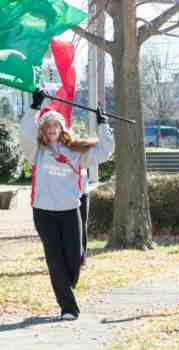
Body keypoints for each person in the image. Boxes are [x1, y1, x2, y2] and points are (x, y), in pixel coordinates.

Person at [20, 99, 114, 321]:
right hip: (44, 213)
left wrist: (103, 125)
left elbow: (104, 151)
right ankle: (68, 307)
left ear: (62, 129)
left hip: (70, 210)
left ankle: (65, 287)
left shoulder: (76, 152)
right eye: (47, 127)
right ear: (43, 131)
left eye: (56, 126)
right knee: (55, 259)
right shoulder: (36, 152)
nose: (52, 130)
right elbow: (25, 133)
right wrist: (34, 107)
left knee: (74, 257)